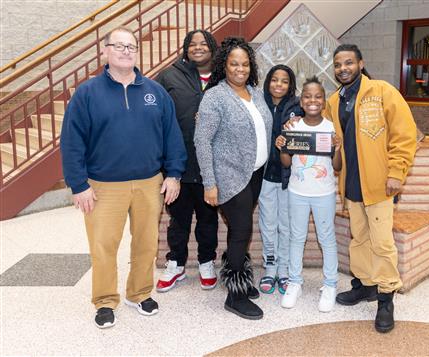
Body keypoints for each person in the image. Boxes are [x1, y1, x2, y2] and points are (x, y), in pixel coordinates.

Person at [60, 27, 187, 329]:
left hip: (149, 183)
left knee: (146, 243)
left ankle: (139, 292)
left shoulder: (155, 92)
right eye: (119, 45)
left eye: (131, 46)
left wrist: (174, 174)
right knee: (104, 245)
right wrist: (79, 185)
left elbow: (172, 136)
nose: (126, 51)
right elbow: (72, 142)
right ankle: (104, 300)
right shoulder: (87, 94)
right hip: (103, 186)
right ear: (104, 51)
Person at [327, 44, 417, 332]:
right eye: (338, 64)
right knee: (359, 239)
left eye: (349, 63)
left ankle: (385, 297)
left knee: (382, 243)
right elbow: (325, 135)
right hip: (351, 184)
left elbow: (404, 135)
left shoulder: (382, 92)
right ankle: (365, 285)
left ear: (361, 63)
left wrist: (396, 172)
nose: (343, 68)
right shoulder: (334, 101)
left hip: (379, 185)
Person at [194, 37, 272, 320]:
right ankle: (235, 295)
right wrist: (210, 183)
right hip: (228, 176)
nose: (240, 68)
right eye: (234, 64)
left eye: (245, 63)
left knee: (240, 231)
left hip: (254, 174)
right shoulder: (215, 95)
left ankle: (239, 275)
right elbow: (202, 141)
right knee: (241, 231)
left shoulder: (255, 92)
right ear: (223, 66)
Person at [155, 30, 219, 292]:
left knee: (208, 220)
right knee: (178, 221)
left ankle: (206, 262)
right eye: (192, 44)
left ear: (212, 48)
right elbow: (154, 114)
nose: (198, 48)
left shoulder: (223, 76)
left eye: (203, 44)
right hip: (177, 166)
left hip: (211, 168)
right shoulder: (170, 75)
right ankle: (176, 265)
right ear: (185, 49)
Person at [275, 77, 342, 312]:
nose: (312, 100)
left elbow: (337, 166)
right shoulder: (292, 126)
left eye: (317, 96)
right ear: (301, 101)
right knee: (296, 237)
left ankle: (331, 284)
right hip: (297, 192)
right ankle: (295, 282)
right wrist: (283, 145)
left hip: (324, 193)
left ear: (323, 101)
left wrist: (337, 147)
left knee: (327, 238)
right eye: (307, 96)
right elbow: (285, 163)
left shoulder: (331, 127)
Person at [258, 65, 302, 295]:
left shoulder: (297, 108)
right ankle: (270, 266)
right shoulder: (258, 102)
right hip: (265, 175)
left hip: (288, 177)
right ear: (268, 82)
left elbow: (305, 138)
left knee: (285, 224)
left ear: (290, 85)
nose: (279, 85)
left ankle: (283, 270)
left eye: (284, 81)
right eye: (274, 80)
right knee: (268, 223)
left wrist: (296, 126)